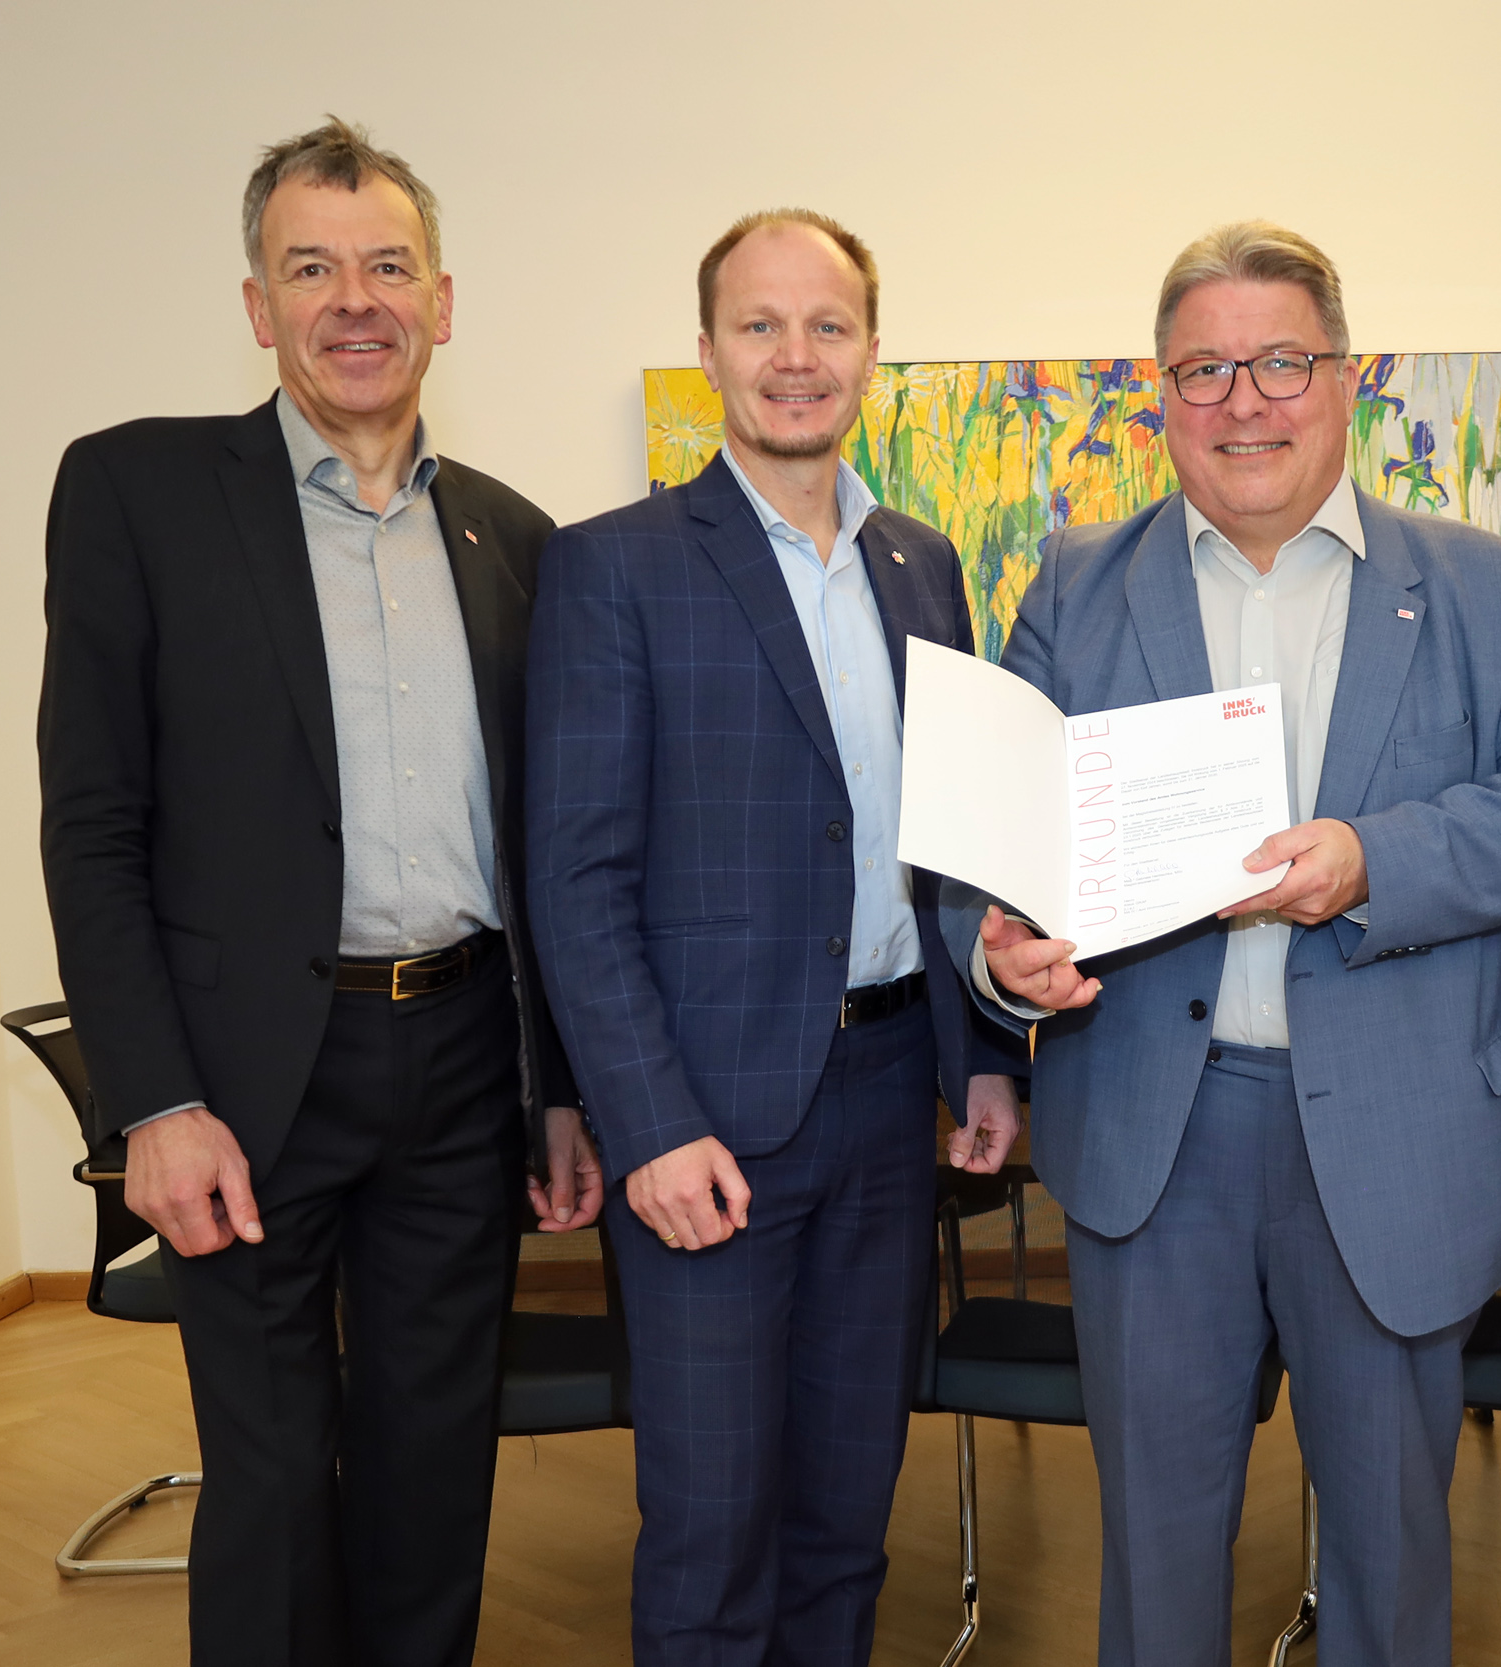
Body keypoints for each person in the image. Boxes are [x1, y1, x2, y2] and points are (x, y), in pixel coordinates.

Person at [945, 221, 1501, 1667]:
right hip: (1154, 1135)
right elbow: (985, 846)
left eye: (1280, 361)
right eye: (1205, 369)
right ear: (1161, 391)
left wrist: (1378, 858)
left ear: (1346, 376)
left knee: (1390, 1558)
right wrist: (997, 952)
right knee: (1154, 1554)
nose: (1244, 399)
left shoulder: (1492, 589)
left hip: (1401, 1132)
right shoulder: (1075, 584)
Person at [38, 118, 601, 1666]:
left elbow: (544, 851)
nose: (354, 300)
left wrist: (553, 1092)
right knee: (276, 1479)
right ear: (256, 304)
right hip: (243, 1080)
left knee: (434, 1465)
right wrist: (150, 1102)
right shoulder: (138, 495)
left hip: (463, 1058)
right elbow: (91, 827)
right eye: (312, 268)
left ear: (441, 300)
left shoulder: (515, 538)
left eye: (386, 267)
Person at [525, 208, 1026, 1667]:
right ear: (707, 351)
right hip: (706, 1127)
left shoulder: (920, 563)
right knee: (710, 1525)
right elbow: (576, 879)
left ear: (873, 350)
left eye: (828, 326)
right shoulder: (614, 567)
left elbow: (947, 848)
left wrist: (980, 1055)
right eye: (761, 325)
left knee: (847, 1515)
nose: (795, 358)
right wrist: (648, 1125)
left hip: (885, 1110)